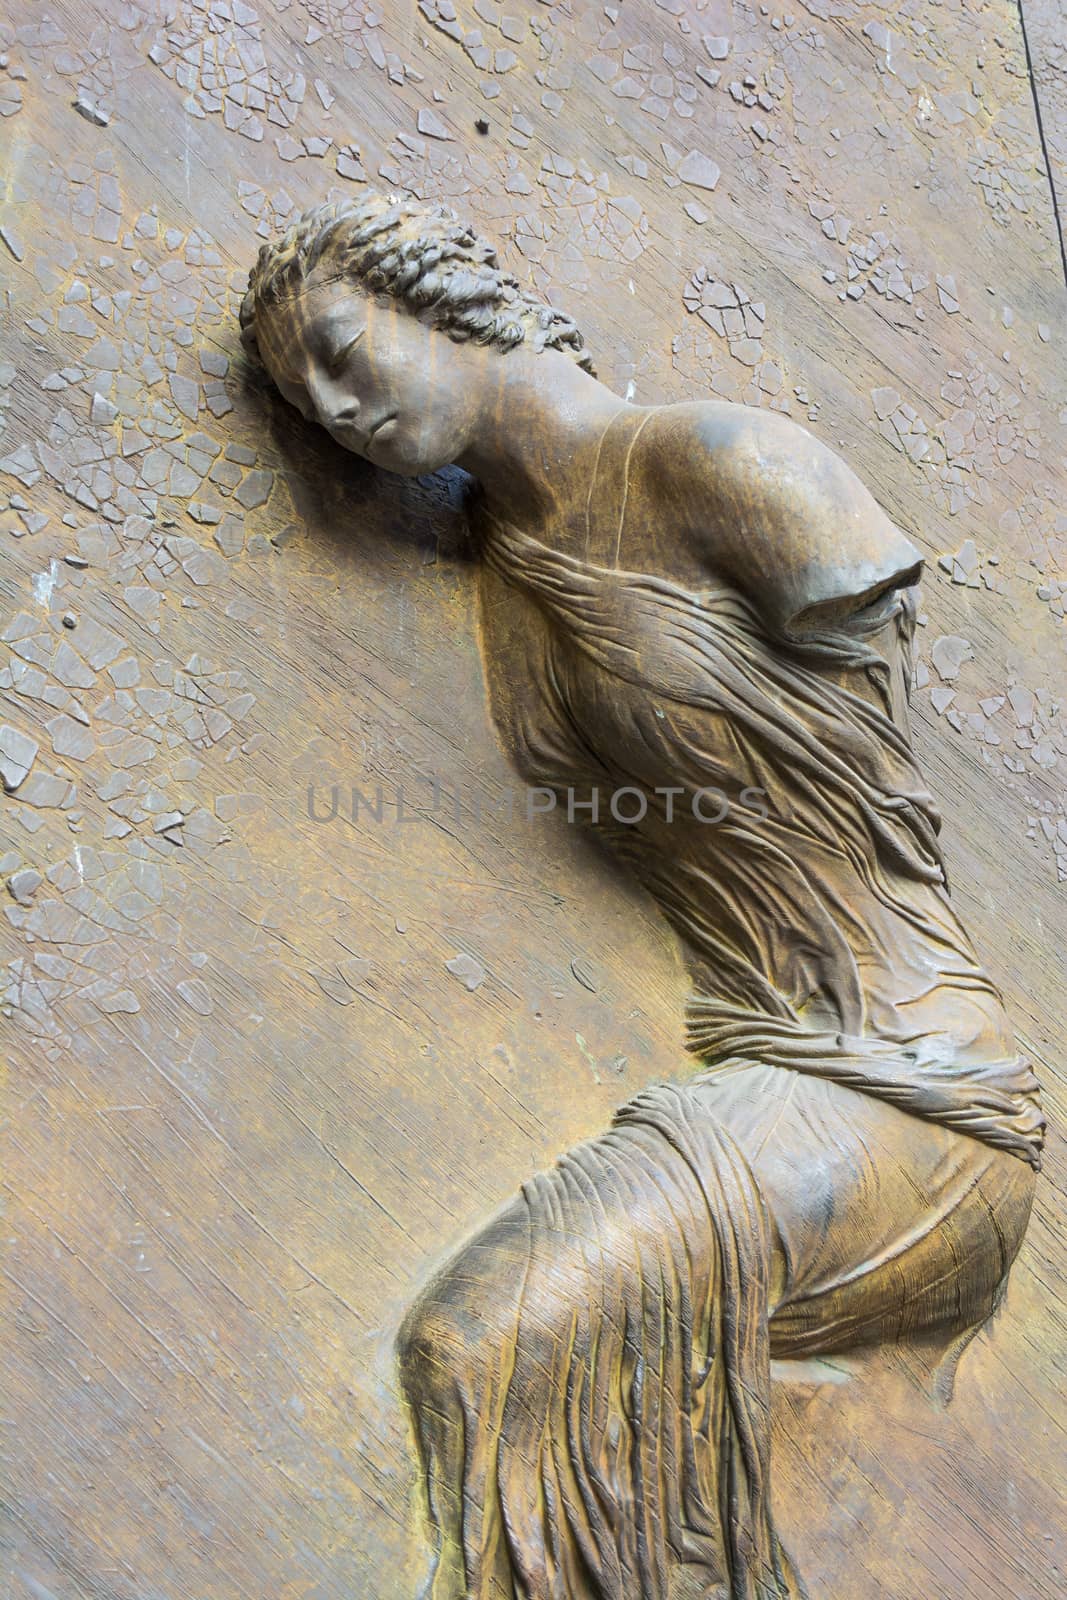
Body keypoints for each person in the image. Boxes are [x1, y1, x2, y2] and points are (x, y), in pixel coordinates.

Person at [241, 193, 1043, 1600]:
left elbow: (870, 748)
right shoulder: (509, 572)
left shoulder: (717, 460)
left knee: (476, 1343)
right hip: (775, 1063)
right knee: (479, 1358)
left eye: (345, 353)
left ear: (445, 302)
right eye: (304, 404)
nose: (333, 407)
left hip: (911, 1088)